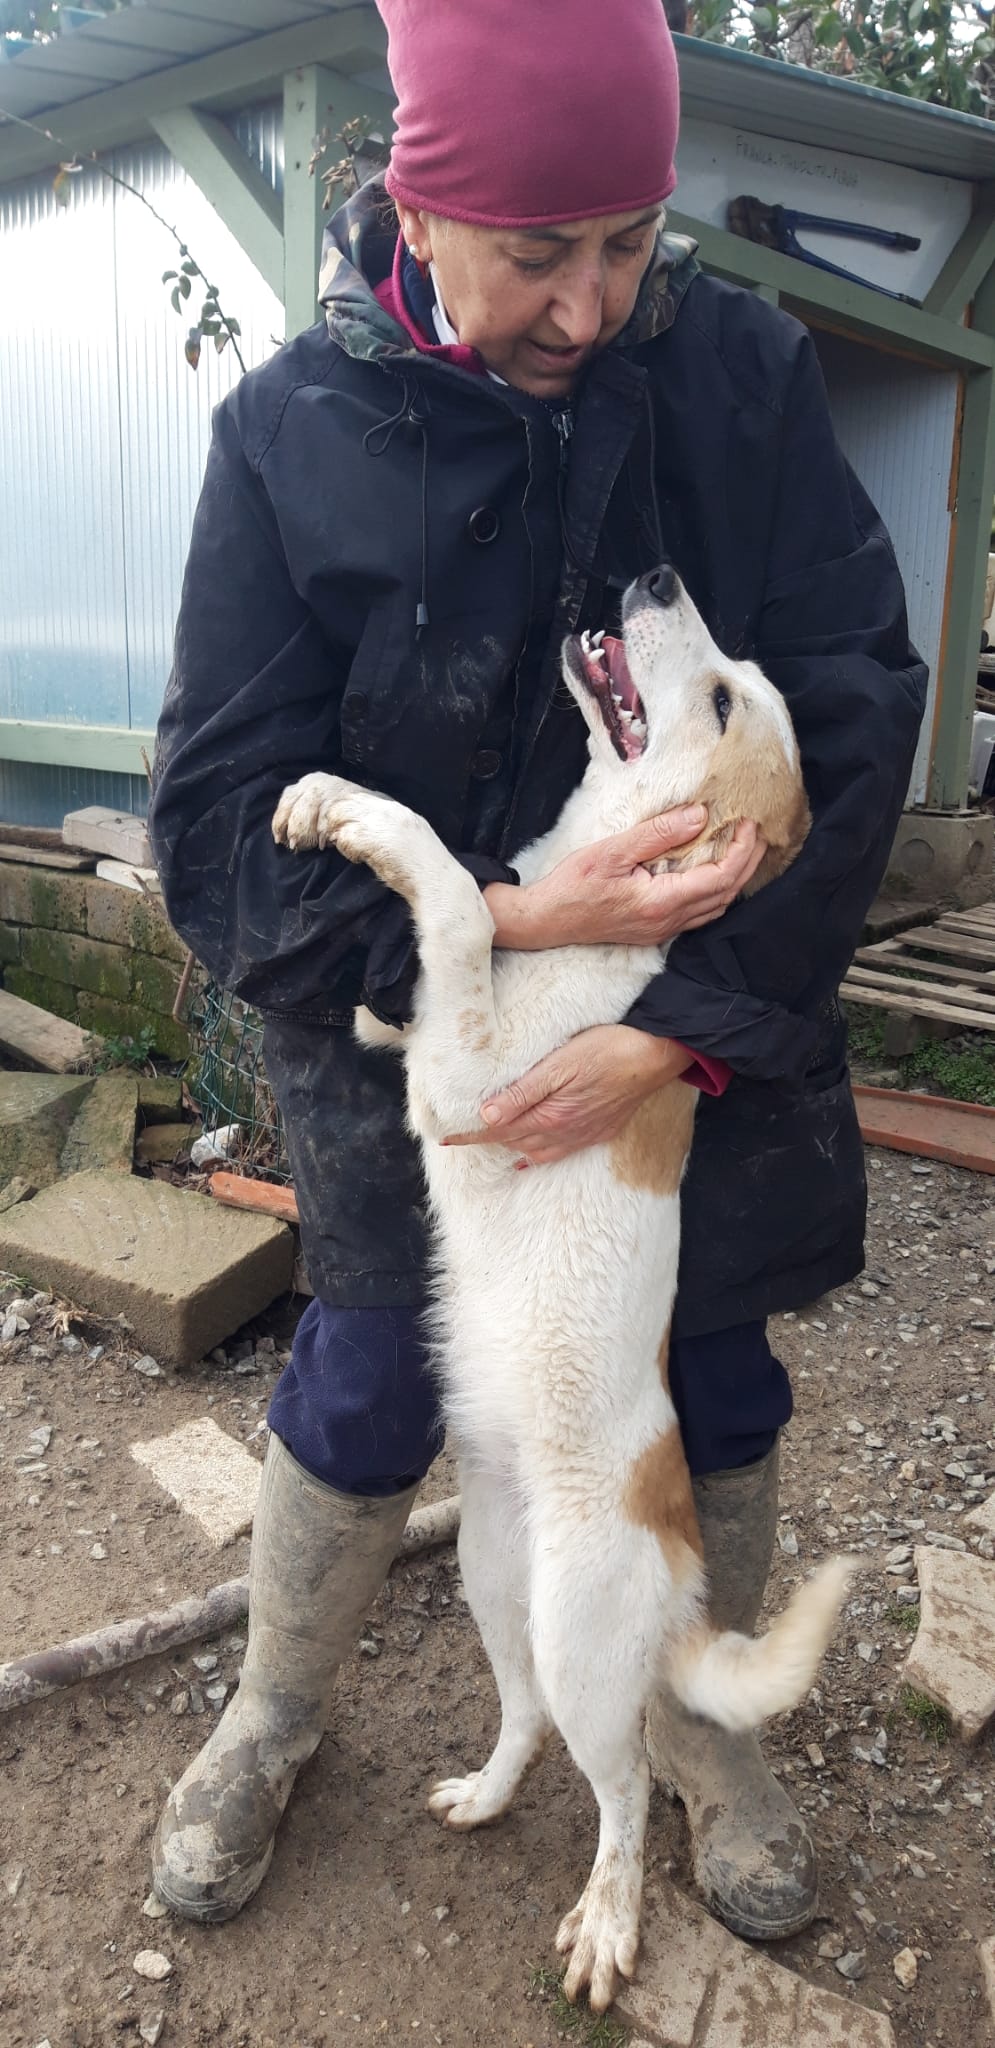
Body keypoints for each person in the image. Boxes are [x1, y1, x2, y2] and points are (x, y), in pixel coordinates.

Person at [148, 0, 925, 1941]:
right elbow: (221, 819)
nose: (592, 306)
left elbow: (848, 712)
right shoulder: (291, 432)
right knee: (367, 1368)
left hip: (705, 1011)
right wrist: (511, 920)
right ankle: (276, 1703)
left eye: (631, 241)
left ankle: (699, 1732)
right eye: (536, 252)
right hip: (406, 1013)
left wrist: (689, 1029)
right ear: (418, 205)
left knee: (712, 1368)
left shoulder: (736, 375)